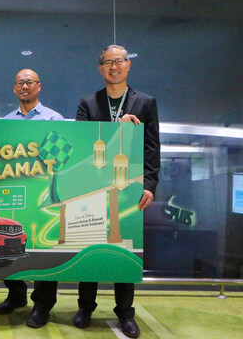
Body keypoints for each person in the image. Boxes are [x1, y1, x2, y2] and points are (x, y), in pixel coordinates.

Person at [74, 45, 160, 338]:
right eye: (108, 62)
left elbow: (152, 146)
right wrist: (117, 129)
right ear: (101, 68)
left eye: (119, 61)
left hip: (130, 186)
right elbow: (83, 144)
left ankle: (125, 313)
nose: (114, 66)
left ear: (128, 65)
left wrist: (150, 184)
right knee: (90, 246)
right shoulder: (88, 103)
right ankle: (85, 308)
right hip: (95, 185)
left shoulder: (146, 102)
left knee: (125, 249)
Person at [0, 68, 64, 329]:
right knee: (8, 243)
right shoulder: (6, 121)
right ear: (15, 88)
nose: (25, 87)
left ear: (39, 86)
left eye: (30, 82)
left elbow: (61, 160)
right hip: (14, 193)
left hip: (44, 194)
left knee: (44, 248)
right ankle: (16, 294)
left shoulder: (54, 119)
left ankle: (43, 305)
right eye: (20, 83)